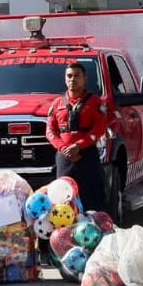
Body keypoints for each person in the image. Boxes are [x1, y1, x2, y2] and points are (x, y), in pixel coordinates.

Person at [46, 62, 109, 212]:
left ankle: (95, 228)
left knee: (93, 195)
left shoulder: (95, 102)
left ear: (85, 78)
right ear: (65, 79)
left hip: (87, 155)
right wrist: (64, 148)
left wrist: (79, 146)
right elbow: (50, 131)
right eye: (69, 76)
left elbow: (99, 128)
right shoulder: (57, 103)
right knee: (62, 197)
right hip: (64, 156)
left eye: (77, 76)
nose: (72, 79)